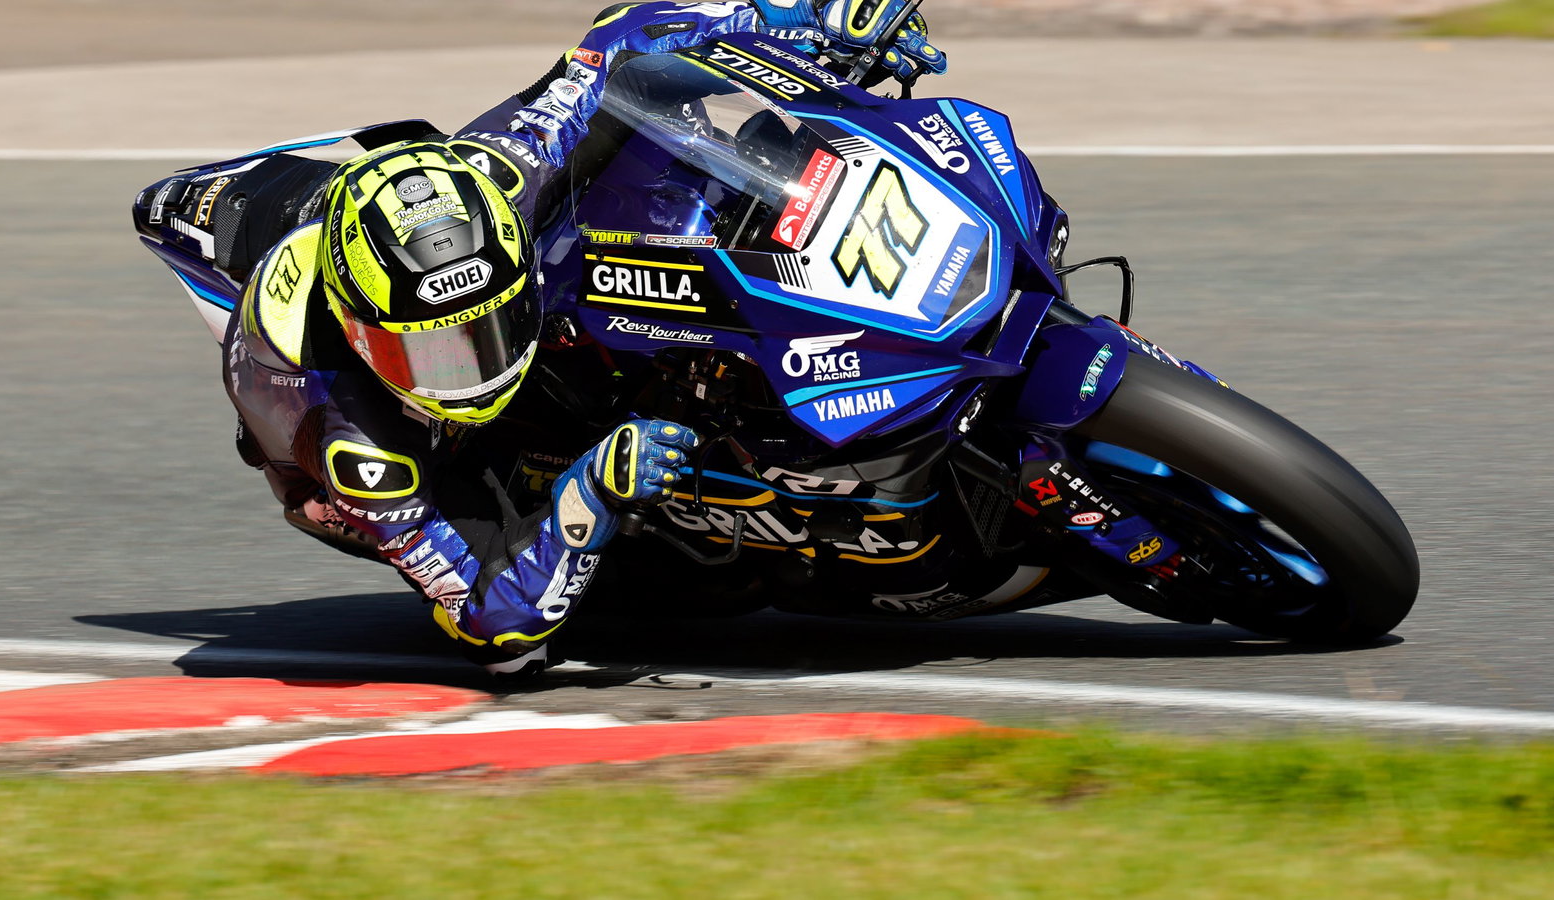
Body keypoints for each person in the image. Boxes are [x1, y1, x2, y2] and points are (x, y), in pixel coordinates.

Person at [132, 0, 948, 677]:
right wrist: (589, 493)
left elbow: (620, 42)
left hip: (370, 206)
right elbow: (494, 629)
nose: (477, 365)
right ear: (364, 334)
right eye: (442, 351)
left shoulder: (506, 173)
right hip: (379, 428)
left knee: (643, 154)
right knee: (494, 550)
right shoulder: (354, 441)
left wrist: (809, 22)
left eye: (492, 327)